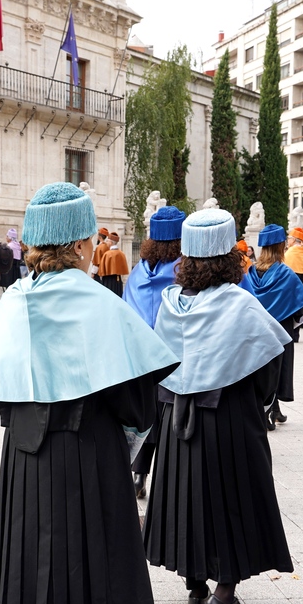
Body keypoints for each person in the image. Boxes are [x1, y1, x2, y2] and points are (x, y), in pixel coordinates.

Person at [0, 182, 178, 604]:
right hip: (85, 450)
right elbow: (136, 396)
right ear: (81, 242)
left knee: (32, 545)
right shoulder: (96, 302)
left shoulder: (15, 301)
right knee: (85, 549)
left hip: (23, 452)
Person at [145, 208, 292, 604]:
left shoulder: (170, 303)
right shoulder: (239, 303)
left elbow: (160, 364)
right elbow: (268, 369)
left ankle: (195, 589)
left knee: (186, 495)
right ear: (229, 255)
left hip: (176, 418)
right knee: (234, 497)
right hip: (228, 417)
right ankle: (224, 594)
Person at [123, 205, 185, 498]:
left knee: (146, 413)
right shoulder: (183, 270)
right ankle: (172, 476)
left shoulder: (138, 271)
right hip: (172, 357)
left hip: (140, 358)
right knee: (170, 413)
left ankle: (138, 475)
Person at [241, 224, 303, 430]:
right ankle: (269, 412)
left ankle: (272, 409)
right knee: (278, 369)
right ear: (281, 247)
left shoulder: (250, 273)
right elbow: (299, 309)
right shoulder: (286, 274)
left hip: (256, 328)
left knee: (260, 368)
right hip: (280, 328)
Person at [98, 231, 130, 296]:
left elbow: (102, 271)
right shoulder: (121, 254)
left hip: (108, 281)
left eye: (107, 241)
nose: (106, 243)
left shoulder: (107, 254)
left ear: (111, 242)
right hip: (118, 280)